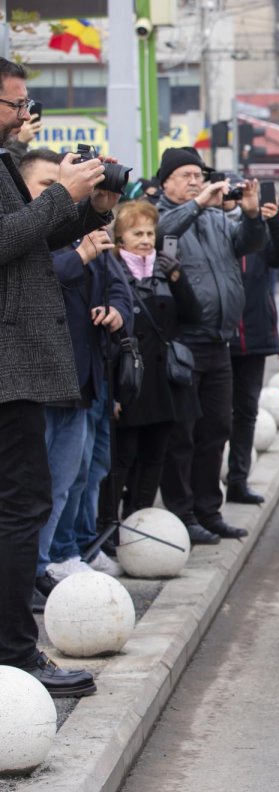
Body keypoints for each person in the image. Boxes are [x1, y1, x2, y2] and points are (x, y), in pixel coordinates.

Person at [0, 56, 109, 697]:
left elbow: (30, 235)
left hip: (15, 367)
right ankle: (16, 654)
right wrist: (56, 198)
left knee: (20, 507)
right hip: (7, 369)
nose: (24, 115)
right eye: (16, 104)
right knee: (21, 509)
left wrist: (87, 200)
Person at [19, 149, 132, 591]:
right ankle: (25, 575)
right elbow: (37, 279)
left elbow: (119, 288)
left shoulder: (82, 231)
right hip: (36, 381)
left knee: (66, 484)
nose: (58, 195)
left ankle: (43, 565)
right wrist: (81, 255)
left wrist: (117, 312)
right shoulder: (22, 236)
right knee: (30, 490)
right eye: (48, 186)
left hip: (82, 378)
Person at [155, 146, 266, 544]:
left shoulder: (217, 219)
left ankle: (208, 511)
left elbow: (250, 244)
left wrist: (252, 214)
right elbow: (160, 237)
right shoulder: (164, 215)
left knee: (216, 429)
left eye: (198, 175)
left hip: (219, 343)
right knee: (182, 434)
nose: (195, 181)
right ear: (165, 181)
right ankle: (182, 515)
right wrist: (198, 204)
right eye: (185, 175)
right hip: (182, 343)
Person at [99, 201, 203, 532]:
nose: (145, 239)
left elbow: (192, 316)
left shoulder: (164, 269)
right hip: (130, 383)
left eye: (149, 233)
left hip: (165, 384)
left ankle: (138, 521)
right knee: (124, 459)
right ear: (120, 239)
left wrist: (178, 277)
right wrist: (113, 392)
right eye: (137, 233)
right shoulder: (112, 272)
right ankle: (108, 527)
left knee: (156, 456)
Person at [226, 197, 279, 505]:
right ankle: (208, 490)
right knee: (213, 420)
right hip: (218, 337)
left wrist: (275, 216)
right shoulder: (210, 227)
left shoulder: (259, 232)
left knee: (246, 413)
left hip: (253, 337)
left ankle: (239, 481)